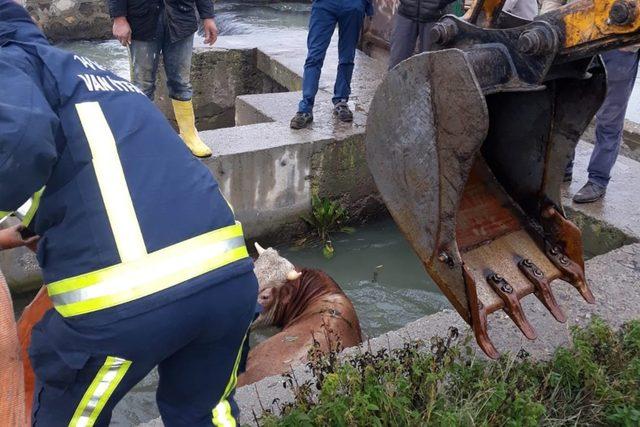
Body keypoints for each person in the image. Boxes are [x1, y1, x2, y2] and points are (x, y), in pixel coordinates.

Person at [0, 1, 258, 426]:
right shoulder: (95, 75)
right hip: (228, 280)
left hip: (126, 302)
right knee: (206, 414)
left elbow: (22, 144)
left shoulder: (10, 64)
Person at [541, 0, 639, 203]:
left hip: (619, 43)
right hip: (575, 37)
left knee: (609, 118)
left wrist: (630, 43)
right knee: (569, 108)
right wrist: (551, 24)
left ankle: (598, 179)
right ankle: (563, 167)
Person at [109, 0, 218, 158]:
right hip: (142, 20)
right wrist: (119, 18)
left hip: (181, 19)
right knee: (142, 87)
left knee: (181, 83)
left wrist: (208, 17)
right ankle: (142, 139)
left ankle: (189, 136)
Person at [290, 0, 374, 129]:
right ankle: (305, 109)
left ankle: (341, 101)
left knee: (347, 57)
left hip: (352, 5)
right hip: (325, 4)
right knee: (314, 57)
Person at [388, 0, 457, 70]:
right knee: (396, 62)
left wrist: (438, 2)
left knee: (429, 66)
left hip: (433, 18)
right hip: (405, 13)